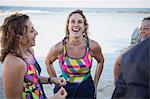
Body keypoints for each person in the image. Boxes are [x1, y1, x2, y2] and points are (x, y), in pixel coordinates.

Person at [1, 13, 67, 99]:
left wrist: (52, 80)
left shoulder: (30, 52)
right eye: (31, 31)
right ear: (19, 38)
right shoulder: (13, 63)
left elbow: (32, 79)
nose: (36, 33)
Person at [45, 9, 104, 98]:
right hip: (65, 88)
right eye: (72, 22)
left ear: (84, 26)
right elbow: (48, 62)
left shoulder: (92, 46)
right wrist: (56, 81)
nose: (76, 25)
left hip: (86, 87)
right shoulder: (59, 48)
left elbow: (101, 61)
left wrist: (95, 84)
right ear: (68, 26)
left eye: (80, 22)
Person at [112, 17, 150, 98]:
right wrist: (117, 82)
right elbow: (117, 63)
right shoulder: (131, 48)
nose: (142, 32)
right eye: (141, 29)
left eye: (146, 29)